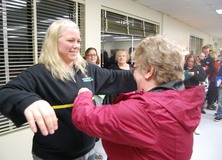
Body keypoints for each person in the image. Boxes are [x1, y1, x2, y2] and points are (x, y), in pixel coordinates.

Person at [0, 19, 137, 160]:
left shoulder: (87, 69)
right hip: (54, 156)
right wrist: (29, 100)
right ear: (53, 42)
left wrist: (149, 75)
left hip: (88, 151)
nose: (76, 46)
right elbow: (5, 92)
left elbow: (117, 78)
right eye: (71, 40)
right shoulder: (38, 73)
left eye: (78, 41)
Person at [72, 35, 205, 160]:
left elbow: (85, 117)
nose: (133, 72)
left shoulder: (145, 111)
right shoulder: (180, 101)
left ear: (148, 71)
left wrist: (84, 95)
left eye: (135, 67)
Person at [201, 45, 216, 110]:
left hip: (207, 77)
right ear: (202, 51)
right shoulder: (199, 58)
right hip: (198, 77)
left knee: (205, 92)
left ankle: (203, 106)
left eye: (207, 51)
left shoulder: (211, 59)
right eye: (205, 51)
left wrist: (205, 72)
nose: (206, 52)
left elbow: (213, 69)